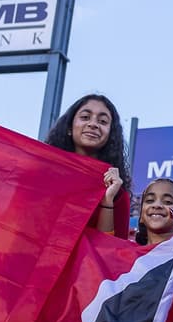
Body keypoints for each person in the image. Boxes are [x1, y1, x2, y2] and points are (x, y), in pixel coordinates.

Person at [46, 94, 132, 239]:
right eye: (85, 117)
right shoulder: (45, 174)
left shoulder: (116, 192)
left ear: (111, 135)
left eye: (103, 121)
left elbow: (112, 251)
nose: (93, 124)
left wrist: (107, 201)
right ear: (69, 128)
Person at [134, 178, 173, 246]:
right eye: (150, 200)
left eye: (167, 202)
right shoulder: (124, 253)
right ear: (141, 216)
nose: (157, 205)